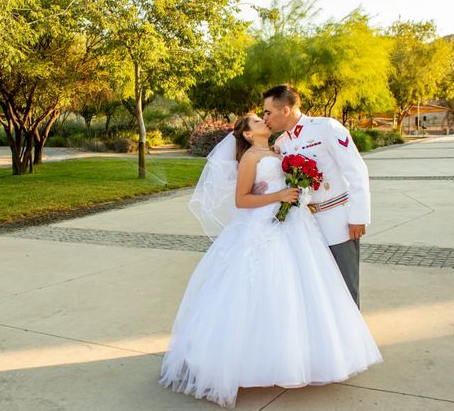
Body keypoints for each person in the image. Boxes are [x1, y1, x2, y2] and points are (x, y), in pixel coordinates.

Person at [159, 114, 382, 408]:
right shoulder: (251, 157)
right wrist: (279, 194)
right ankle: (248, 362)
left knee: (300, 287)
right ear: (248, 135)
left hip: (294, 225)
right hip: (262, 227)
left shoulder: (280, 149)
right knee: (261, 288)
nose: (263, 120)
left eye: (263, 116)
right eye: (256, 121)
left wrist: (298, 192)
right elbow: (242, 200)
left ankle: (304, 354)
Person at [264, 84, 370, 307]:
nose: (265, 118)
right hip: (305, 226)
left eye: (268, 112)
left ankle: (353, 340)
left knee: (345, 287)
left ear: (285, 110)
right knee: (319, 291)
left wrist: (358, 216)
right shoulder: (282, 143)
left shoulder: (326, 128)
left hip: (337, 220)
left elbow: (356, 170)